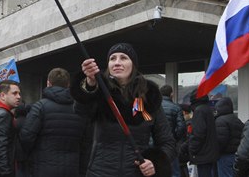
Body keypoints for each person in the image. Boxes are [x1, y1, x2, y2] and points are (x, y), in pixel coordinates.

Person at [71, 42, 175, 177]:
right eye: (112, 58)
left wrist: (154, 163)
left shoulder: (149, 97)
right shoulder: (100, 93)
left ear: (133, 65)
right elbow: (81, 110)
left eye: (123, 58)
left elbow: (167, 142)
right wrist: (90, 84)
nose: (117, 62)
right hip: (99, 173)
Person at [19, 67, 86, 177]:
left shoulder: (40, 107)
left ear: (48, 83)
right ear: (68, 84)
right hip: (72, 169)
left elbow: (26, 137)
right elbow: (86, 141)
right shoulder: (79, 108)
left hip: (42, 168)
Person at [184, 90, 218, 177]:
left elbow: (198, 134)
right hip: (209, 153)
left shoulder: (199, 111)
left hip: (203, 154)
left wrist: (192, 149)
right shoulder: (208, 109)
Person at [160, 84, 186, 177]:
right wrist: (175, 137)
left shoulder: (155, 107)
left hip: (157, 144)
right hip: (171, 144)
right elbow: (181, 127)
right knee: (174, 171)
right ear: (171, 94)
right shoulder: (176, 108)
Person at [214, 97, 243, 177]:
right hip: (237, 155)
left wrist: (216, 153)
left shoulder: (220, 121)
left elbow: (220, 141)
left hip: (225, 156)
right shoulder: (236, 119)